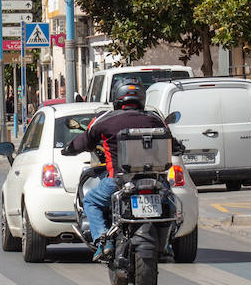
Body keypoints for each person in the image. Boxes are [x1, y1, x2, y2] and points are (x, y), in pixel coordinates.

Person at [62, 80, 171, 260]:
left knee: (90, 201)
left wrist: (70, 148)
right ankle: (167, 242)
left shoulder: (105, 119)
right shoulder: (154, 119)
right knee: (170, 202)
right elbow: (172, 144)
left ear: (117, 98)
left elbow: (85, 141)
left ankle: (104, 240)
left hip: (119, 181)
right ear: (141, 98)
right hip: (155, 181)